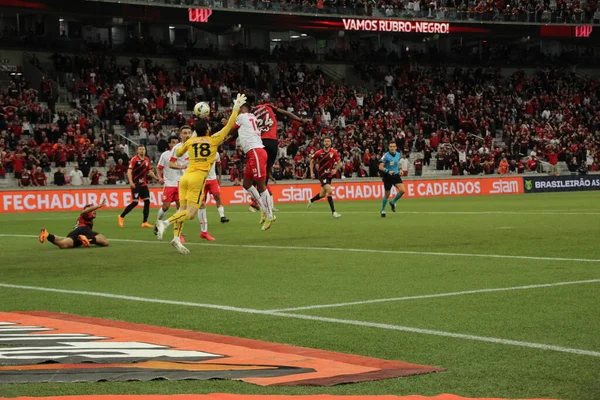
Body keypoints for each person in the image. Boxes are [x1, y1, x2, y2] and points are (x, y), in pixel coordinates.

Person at [156, 93, 246, 254]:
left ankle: (176, 238)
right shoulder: (213, 140)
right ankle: (165, 223)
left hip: (184, 177)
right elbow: (229, 125)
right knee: (190, 214)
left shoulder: (190, 141)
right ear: (208, 130)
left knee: (182, 209)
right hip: (198, 179)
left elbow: (176, 155)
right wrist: (236, 108)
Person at [252, 101, 311, 211]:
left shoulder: (250, 113)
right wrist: (301, 120)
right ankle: (261, 201)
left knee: (258, 171)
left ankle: (256, 201)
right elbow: (285, 113)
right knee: (265, 173)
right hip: (272, 141)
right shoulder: (268, 106)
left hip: (259, 142)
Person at [228, 102, 275, 230]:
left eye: (237, 108)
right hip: (253, 153)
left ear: (242, 108)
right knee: (247, 184)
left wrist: (225, 126)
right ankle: (263, 209)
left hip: (256, 152)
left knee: (261, 185)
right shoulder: (252, 117)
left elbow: (231, 130)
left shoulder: (242, 117)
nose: (236, 111)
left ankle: (270, 215)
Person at [118, 145, 160, 229]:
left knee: (147, 202)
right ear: (137, 151)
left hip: (143, 184)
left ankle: (144, 222)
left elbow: (149, 171)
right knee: (135, 202)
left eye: (143, 149)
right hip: (136, 183)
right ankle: (121, 216)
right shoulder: (134, 159)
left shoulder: (147, 160)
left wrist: (156, 178)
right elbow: (129, 171)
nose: (142, 151)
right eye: (140, 149)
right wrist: (130, 181)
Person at [39, 200, 110, 249]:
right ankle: (86, 238)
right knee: (105, 242)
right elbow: (84, 211)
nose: (95, 212)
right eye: (93, 210)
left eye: (95, 211)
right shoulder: (85, 215)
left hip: (74, 233)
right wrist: (98, 206)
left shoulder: (85, 218)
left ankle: (47, 235)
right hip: (83, 229)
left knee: (63, 244)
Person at [155, 133, 188, 236]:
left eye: (176, 142)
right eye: (172, 142)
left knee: (180, 207)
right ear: (169, 144)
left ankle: (178, 230)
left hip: (179, 183)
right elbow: (159, 167)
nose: (174, 144)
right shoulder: (165, 155)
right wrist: (160, 177)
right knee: (165, 207)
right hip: (169, 184)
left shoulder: (182, 153)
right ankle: (157, 223)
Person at [307, 137, 342, 218]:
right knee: (330, 191)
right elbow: (312, 162)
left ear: (330, 143)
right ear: (323, 143)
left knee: (322, 195)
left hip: (329, 175)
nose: (326, 142)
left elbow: (340, 163)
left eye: (328, 141)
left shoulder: (334, 152)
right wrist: (312, 172)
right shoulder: (318, 153)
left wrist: (335, 169)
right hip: (322, 175)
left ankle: (311, 200)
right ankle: (333, 212)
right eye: (325, 141)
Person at [379, 141, 406, 218]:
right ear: (389, 147)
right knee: (387, 194)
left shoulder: (398, 154)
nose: (392, 148)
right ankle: (383, 210)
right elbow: (380, 167)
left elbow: (398, 163)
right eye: (391, 146)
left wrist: (400, 169)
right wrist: (388, 171)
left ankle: (393, 202)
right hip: (387, 176)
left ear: (396, 147)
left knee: (402, 190)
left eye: (393, 146)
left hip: (395, 175)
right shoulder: (385, 156)